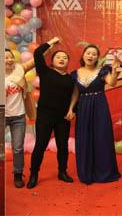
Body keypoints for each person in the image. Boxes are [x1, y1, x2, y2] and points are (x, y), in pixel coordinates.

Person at [66, 45, 121, 184]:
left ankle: (104, 171)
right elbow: (75, 93)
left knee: (101, 137)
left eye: (94, 54)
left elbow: (112, 83)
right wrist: (71, 109)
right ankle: (87, 171)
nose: (90, 56)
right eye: (88, 53)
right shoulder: (75, 73)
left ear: (97, 58)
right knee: (84, 138)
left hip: (99, 106)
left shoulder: (103, 70)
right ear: (83, 55)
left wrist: (114, 68)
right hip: (83, 107)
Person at [26, 37, 76, 188]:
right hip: (45, 115)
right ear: (52, 61)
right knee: (40, 144)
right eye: (58, 57)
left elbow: (75, 95)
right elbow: (37, 53)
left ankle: (62, 172)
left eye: (65, 58)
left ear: (68, 62)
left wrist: (72, 110)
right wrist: (52, 42)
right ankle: (33, 174)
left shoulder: (70, 78)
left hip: (63, 117)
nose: (61, 59)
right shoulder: (45, 72)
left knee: (63, 146)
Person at [5, 48, 30, 187]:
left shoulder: (19, 74)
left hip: (18, 116)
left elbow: (33, 61)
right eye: (5, 57)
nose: (9, 60)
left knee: (18, 148)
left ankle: (18, 174)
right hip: (1, 116)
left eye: (11, 57)